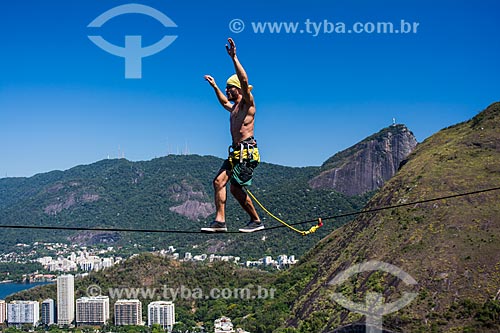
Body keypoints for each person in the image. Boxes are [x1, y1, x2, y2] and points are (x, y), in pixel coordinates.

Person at [201, 38, 264, 233]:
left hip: (247, 153)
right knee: (218, 182)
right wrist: (215, 87)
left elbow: (244, 81)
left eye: (229, 88)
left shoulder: (247, 104)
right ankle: (220, 222)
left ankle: (256, 221)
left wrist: (234, 57)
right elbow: (223, 102)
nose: (227, 91)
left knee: (236, 189)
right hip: (236, 152)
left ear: (237, 89)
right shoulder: (235, 108)